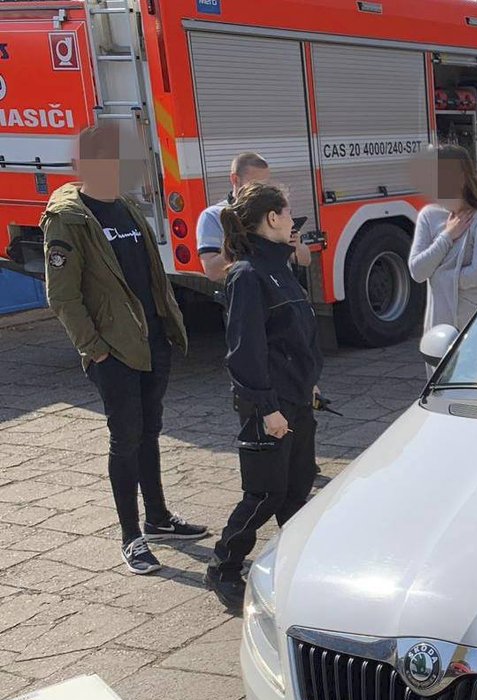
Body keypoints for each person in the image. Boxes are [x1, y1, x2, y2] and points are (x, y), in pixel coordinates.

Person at [43, 123, 207, 575]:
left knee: (149, 431)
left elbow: (151, 275)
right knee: (126, 439)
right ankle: (131, 536)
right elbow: (62, 295)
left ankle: (158, 518)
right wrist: (94, 349)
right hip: (113, 351)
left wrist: (169, 324)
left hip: (152, 342)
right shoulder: (69, 219)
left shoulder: (129, 208)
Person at [206, 182, 323, 614]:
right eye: (289, 213)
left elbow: (295, 337)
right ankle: (223, 567)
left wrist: (309, 382)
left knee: (297, 490)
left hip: (296, 397)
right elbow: (245, 351)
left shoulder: (281, 267)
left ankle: (295, 566)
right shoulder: (248, 275)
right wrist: (267, 407)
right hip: (267, 406)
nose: (293, 221)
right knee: (264, 495)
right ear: (272, 218)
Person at [408, 145, 477, 345]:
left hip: (475, 328)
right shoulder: (429, 216)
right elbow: (417, 271)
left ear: (460, 178)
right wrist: (448, 236)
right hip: (438, 329)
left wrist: (439, 274)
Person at [196, 152, 311, 282]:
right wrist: (246, 241)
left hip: (282, 292)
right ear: (235, 179)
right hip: (248, 294)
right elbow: (212, 272)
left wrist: (295, 245)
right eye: (254, 183)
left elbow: (305, 260)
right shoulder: (213, 216)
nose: (260, 189)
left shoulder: (272, 209)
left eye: (265, 184)